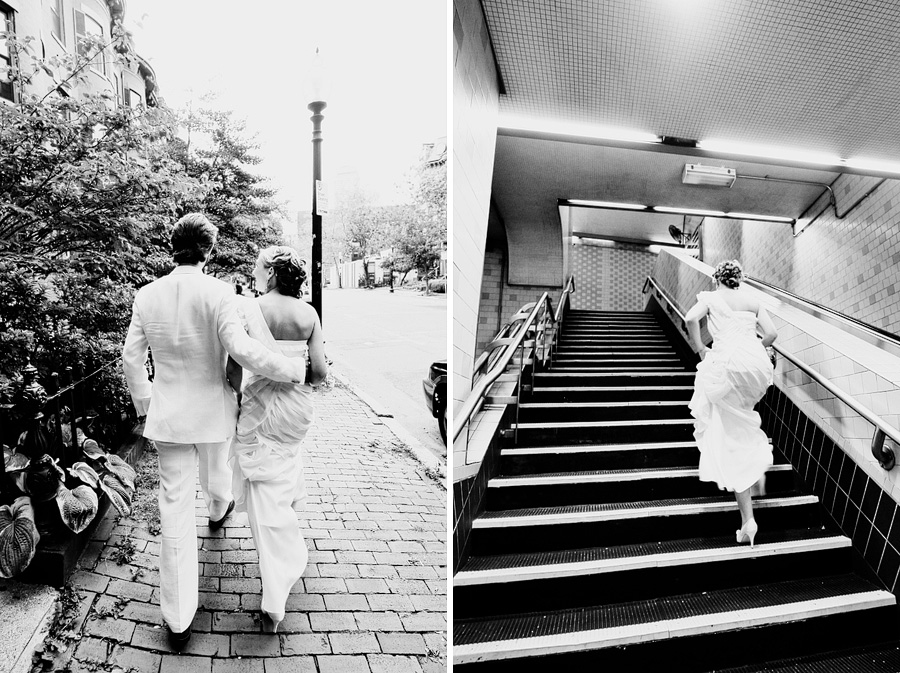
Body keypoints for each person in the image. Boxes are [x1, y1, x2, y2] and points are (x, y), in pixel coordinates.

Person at [122, 214, 307, 650]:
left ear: (174, 247)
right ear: (209, 250)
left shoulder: (147, 295)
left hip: (169, 417)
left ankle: (178, 617)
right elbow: (243, 350)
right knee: (216, 468)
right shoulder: (221, 293)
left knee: (173, 507)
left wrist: (149, 403)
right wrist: (294, 370)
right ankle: (219, 505)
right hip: (214, 413)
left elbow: (132, 358)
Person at [226, 246, 327, 634]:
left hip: (258, 409)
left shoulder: (249, 310)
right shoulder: (309, 314)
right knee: (281, 474)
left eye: (257, 269)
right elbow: (317, 374)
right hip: (295, 412)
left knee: (265, 492)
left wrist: (241, 396)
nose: (254, 274)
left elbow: (234, 368)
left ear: (270, 273)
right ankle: (284, 544)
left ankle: (279, 575)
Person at [684, 260, 778, 548]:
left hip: (727, 367)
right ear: (739, 278)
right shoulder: (753, 300)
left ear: (717, 279)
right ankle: (754, 476)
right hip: (756, 369)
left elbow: (689, 318)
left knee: (730, 436)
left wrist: (701, 348)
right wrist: (753, 350)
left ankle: (748, 517)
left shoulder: (712, 297)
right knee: (741, 426)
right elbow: (772, 334)